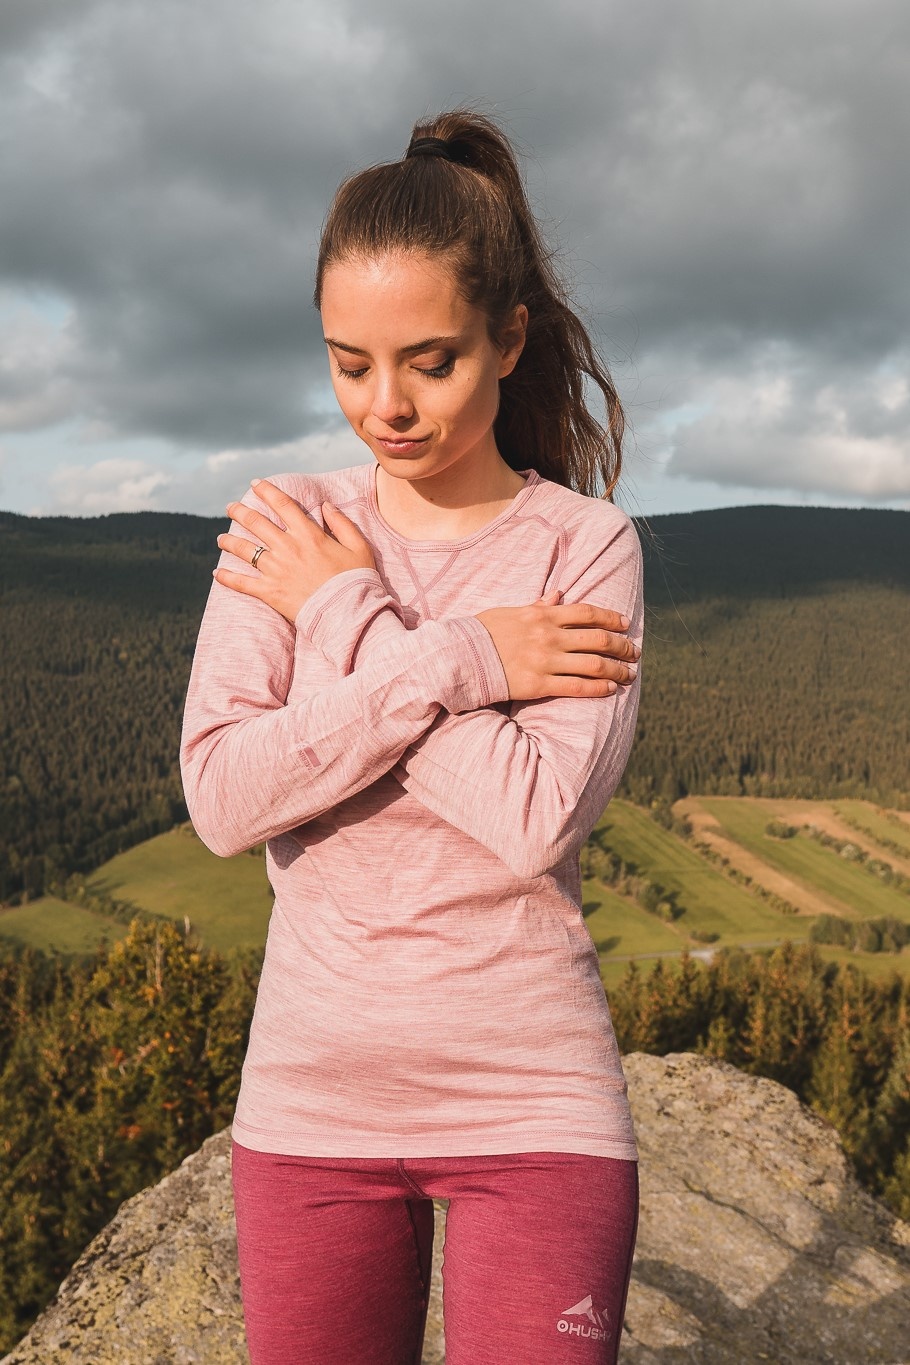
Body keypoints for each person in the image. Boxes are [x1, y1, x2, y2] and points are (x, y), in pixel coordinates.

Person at [180, 108, 644, 1365]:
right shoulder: (285, 528)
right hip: (308, 1110)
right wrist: (463, 657)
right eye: (349, 364)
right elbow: (225, 798)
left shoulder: (581, 547)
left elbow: (530, 818)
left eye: (429, 363)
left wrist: (338, 615)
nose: (383, 406)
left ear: (508, 341)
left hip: (534, 1110)